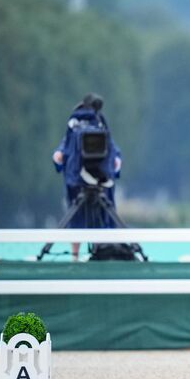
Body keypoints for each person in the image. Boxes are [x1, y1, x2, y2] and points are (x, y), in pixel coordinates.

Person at [51, 93, 122, 260]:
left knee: (77, 218)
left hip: (80, 182)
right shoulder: (97, 125)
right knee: (96, 217)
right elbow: (112, 152)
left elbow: (63, 151)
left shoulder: (77, 126)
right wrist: (115, 162)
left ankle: (76, 257)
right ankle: (98, 253)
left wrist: (60, 156)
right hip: (93, 182)